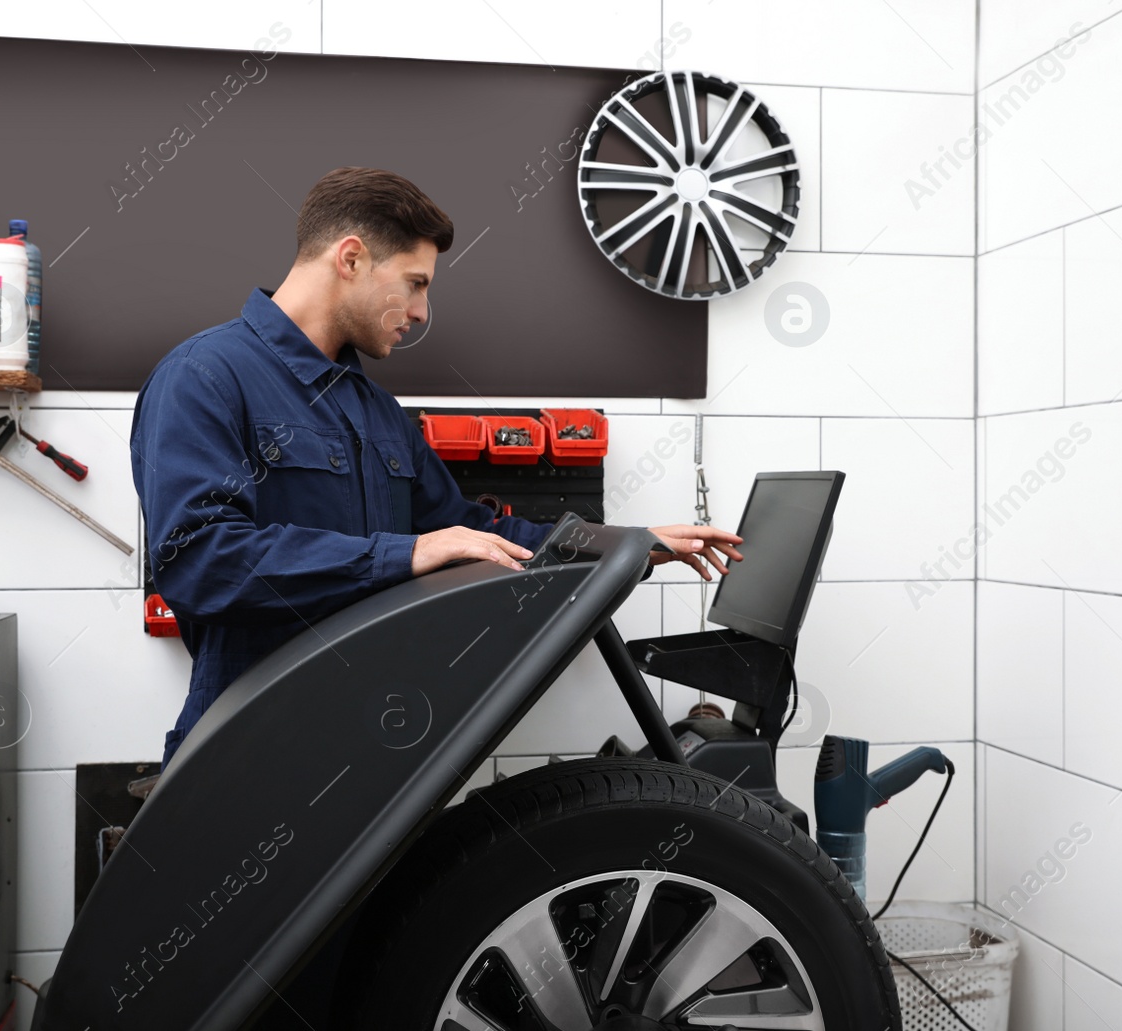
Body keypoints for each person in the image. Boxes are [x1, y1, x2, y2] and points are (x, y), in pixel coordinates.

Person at [130, 166, 743, 769]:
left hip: (372, 752)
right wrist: (404, 554)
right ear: (351, 259)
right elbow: (198, 560)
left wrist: (627, 545)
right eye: (416, 282)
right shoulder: (205, 377)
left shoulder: (376, 411)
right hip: (253, 752)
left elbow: (468, 530)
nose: (422, 311)